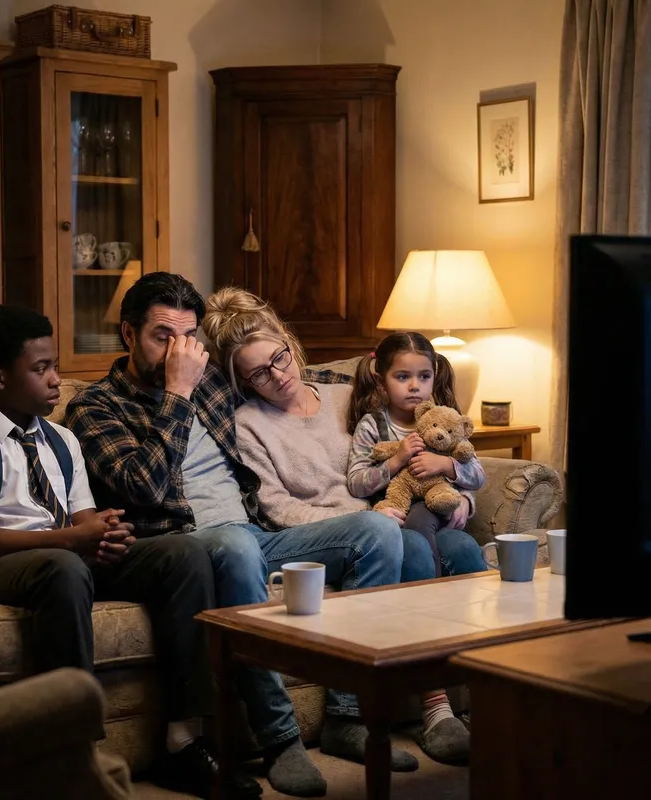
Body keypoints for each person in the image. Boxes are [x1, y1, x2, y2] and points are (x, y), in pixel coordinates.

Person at [65, 273, 422, 797]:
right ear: (127, 333)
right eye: (162, 336)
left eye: (187, 339)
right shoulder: (96, 408)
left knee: (378, 532)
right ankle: (279, 739)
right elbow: (143, 487)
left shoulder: (215, 379)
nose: (176, 352)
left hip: (256, 536)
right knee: (232, 545)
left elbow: (283, 371)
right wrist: (177, 393)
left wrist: (375, 371)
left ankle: (350, 717)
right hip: (181, 545)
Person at [0, 305, 253, 800]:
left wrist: (102, 532)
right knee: (63, 565)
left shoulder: (62, 439)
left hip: (66, 557)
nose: (57, 380)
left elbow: (80, 519)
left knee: (182, 554)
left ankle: (183, 740)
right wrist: (71, 540)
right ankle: (75, 753)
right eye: (40, 370)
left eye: (55, 365)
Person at [203, 288, 487, 766]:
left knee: (460, 548)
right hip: (336, 531)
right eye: (258, 373)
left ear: (290, 344)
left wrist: (461, 496)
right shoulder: (248, 423)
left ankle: (485, 698)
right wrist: (361, 520)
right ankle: (425, 707)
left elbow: (422, 448)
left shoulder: (347, 396)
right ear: (242, 381)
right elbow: (277, 510)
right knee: (409, 548)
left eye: (280, 358)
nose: (279, 376)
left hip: (392, 516)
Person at [347, 332, 487, 578]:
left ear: (434, 376)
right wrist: (396, 460)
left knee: (464, 548)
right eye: (402, 377)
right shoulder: (373, 425)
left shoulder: (446, 420)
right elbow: (356, 483)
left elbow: (477, 475)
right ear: (381, 382)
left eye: (424, 376)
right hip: (397, 521)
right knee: (415, 548)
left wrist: (449, 470)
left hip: (441, 516)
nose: (415, 386)